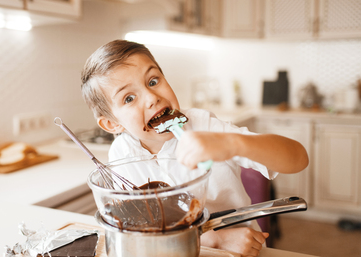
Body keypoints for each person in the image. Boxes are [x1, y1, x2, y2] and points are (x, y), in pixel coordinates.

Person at [80, 39, 309, 257]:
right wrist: (214, 239)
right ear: (112, 124)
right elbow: (143, 231)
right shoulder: (122, 155)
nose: (152, 98)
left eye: (153, 81)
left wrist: (232, 143)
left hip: (239, 249)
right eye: (129, 98)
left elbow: (299, 158)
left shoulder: (205, 126)